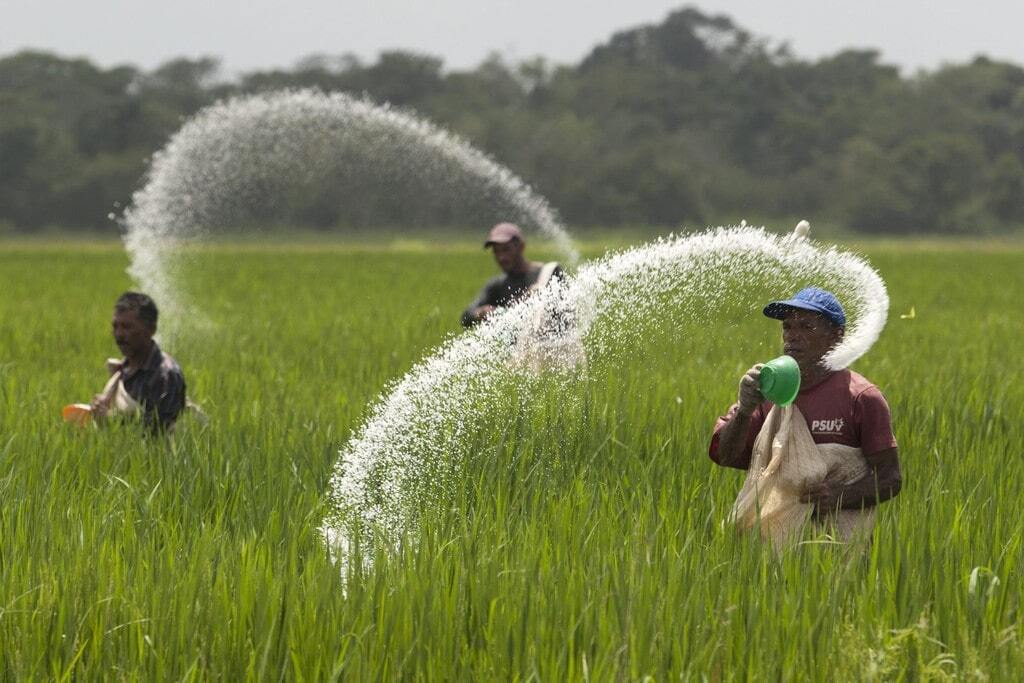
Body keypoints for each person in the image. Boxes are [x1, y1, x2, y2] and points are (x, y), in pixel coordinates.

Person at [710, 287, 901, 543]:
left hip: (838, 549)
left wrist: (838, 496)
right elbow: (726, 455)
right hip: (770, 552)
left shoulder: (861, 397)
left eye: (806, 327)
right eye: (788, 327)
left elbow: (890, 478)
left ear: (837, 337)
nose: (792, 336)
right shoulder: (767, 391)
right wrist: (744, 410)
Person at [89, 292, 187, 434]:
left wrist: (112, 419)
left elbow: (162, 429)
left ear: (151, 330)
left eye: (127, 327)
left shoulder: (166, 375)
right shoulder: (122, 370)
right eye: (115, 326)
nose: (119, 334)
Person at [461, 222, 563, 328]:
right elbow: (465, 317)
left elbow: (566, 315)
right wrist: (481, 312)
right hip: (519, 344)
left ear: (521, 247)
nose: (501, 257)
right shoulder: (498, 285)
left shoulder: (549, 273)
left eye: (506, 250)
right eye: (496, 251)